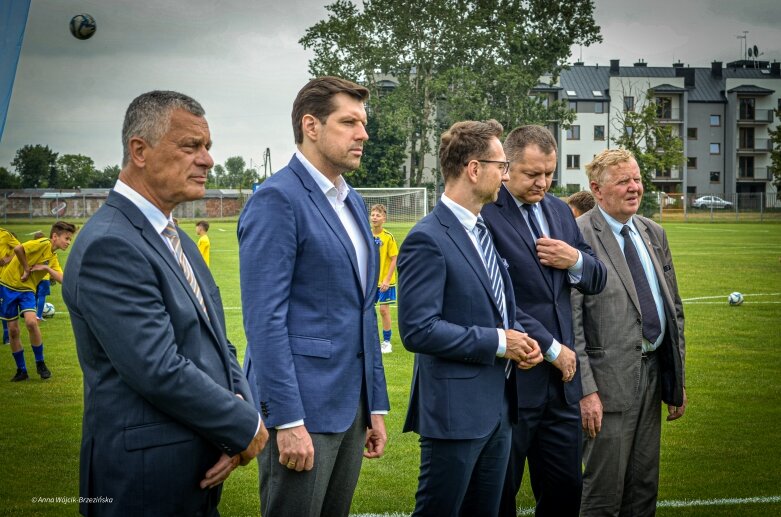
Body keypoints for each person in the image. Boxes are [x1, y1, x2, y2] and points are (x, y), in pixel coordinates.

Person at [62, 90, 268, 517]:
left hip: (196, 468)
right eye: (191, 146)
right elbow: (157, 368)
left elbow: (218, 344)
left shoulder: (176, 238)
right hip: (144, 481)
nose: (208, 160)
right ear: (140, 150)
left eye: (207, 147)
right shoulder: (110, 244)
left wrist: (239, 417)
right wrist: (242, 426)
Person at [238, 76, 390, 517]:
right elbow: (264, 320)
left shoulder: (355, 203)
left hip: (351, 407)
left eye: (363, 123)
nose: (363, 134)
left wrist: (373, 404)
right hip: (301, 410)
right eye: (349, 122)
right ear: (311, 125)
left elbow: (362, 312)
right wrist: (285, 420)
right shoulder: (276, 200)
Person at [397, 119, 543, 517]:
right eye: (501, 164)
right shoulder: (428, 237)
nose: (506, 174)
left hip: (499, 409)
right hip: (455, 412)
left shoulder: (482, 231)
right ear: (474, 169)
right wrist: (499, 342)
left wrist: (523, 343)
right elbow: (418, 329)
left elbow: (499, 307)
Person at [482, 125, 607, 516]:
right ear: (506, 168)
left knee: (566, 492)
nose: (543, 182)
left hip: (563, 386)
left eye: (549, 173)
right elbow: (494, 298)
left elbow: (597, 278)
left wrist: (575, 260)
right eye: (532, 174)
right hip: (513, 384)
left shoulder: (558, 209)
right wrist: (551, 350)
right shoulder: (486, 210)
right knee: (500, 494)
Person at [572, 148, 686, 516]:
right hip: (606, 386)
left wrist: (676, 377)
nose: (635, 188)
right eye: (623, 181)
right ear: (597, 189)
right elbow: (572, 322)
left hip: (652, 374)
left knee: (643, 487)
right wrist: (586, 390)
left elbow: (674, 311)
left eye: (637, 179)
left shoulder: (653, 232)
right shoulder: (578, 235)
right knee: (604, 493)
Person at [2, 221, 76, 381]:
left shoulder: (53, 257)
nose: (68, 242)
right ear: (55, 236)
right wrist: (27, 268)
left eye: (70, 240)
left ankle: (40, 363)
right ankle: (21, 370)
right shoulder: (42, 243)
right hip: (8, 286)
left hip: (27, 290)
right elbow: (18, 248)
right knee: (13, 331)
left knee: (31, 323)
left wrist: (47, 269)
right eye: (66, 238)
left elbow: (64, 279)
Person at [370, 203, 398, 354]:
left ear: (384, 219)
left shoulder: (388, 237)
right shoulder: (366, 234)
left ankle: (386, 342)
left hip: (385, 281)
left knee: (383, 310)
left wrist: (387, 280)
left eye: (378, 215)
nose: (375, 217)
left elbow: (394, 259)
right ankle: (369, 338)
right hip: (370, 281)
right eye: (373, 214)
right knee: (367, 310)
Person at [0, 227, 21, 344]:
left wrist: (8, 258)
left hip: (3, 277)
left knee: (4, 306)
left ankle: (7, 336)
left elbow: (20, 248)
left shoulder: (5, 234)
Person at [31, 231, 51, 321]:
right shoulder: (49, 249)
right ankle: (39, 316)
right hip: (44, 277)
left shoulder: (33, 250)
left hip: (34, 277)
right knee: (42, 296)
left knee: (34, 296)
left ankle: (32, 315)